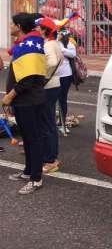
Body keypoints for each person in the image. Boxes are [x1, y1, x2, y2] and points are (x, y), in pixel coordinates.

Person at [2, 13, 47, 194]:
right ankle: (28, 172)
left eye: (12, 23)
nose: (9, 26)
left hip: (29, 101)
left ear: (19, 26)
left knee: (33, 139)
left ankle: (36, 179)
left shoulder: (30, 47)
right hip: (23, 102)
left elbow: (28, 80)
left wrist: (10, 96)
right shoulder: (23, 46)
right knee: (27, 138)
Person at [37, 17, 63, 174]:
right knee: (50, 123)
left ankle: (50, 160)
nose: (38, 30)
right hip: (54, 85)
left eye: (40, 28)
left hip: (48, 85)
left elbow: (52, 63)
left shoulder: (47, 45)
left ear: (45, 31)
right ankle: (52, 156)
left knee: (47, 124)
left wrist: (43, 75)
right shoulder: (54, 43)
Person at [57, 28, 77, 134]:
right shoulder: (53, 43)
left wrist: (62, 49)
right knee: (50, 100)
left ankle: (62, 123)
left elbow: (73, 54)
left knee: (62, 99)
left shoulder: (69, 44)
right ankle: (53, 122)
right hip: (53, 75)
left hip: (65, 75)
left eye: (63, 35)